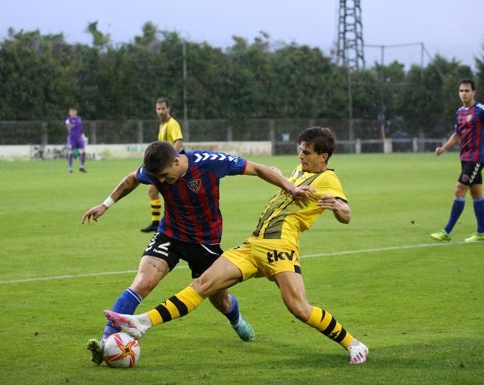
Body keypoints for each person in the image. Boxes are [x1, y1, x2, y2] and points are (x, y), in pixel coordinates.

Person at [104, 127, 369, 365]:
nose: (301, 157)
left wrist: (339, 208)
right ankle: (142, 322)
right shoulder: (300, 172)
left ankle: (353, 343)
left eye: (307, 153)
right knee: (203, 285)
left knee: (299, 308)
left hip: (280, 249)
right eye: (301, 151)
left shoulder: (328, 179)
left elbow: (345, 213)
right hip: (253, 244)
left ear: (323, 157)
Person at [81, 140, 305, 365]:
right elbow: (131, 179)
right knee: (142, 283)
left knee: (221, 301)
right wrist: (105, 205)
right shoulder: (155, 172)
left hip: (205, 243)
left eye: (164, 175)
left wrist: (291, 187)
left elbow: (257, 168)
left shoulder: (209, 163)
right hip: (170, 235)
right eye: (156, 177)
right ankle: (106, 341)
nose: (160, 181)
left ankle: (236, 320)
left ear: (176, 161)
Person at [430, 78, 484, 242]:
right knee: (476, 192)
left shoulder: (481, 110)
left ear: (473, 92)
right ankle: (482, 232)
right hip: (465, 158)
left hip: (477, 158)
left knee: (459, 190)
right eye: (461, 91)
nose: (464, 94)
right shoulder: (460, 112)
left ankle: (447, 231)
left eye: (467, 91)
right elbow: (457, 135)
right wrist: (444, 148)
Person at [141, 97, 184, 233]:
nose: (161, 111)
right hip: (164, 165)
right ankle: (156, 222)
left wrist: (171, 158)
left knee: (164, 193)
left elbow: (178, 141)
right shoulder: (162, 125)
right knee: (153, 191)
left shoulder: (172, 124)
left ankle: (167, 222)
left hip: (171, 166)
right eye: (158, 109)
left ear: (168, 109)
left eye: (163, 108)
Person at [65, 107, 86, 173]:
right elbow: (68, 126)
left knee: (83, 151)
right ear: (69, 113)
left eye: (74, 111)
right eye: (71, 111)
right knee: (70, 152)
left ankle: (81, 166)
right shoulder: (68, 119)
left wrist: (83, 134)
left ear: (76, 112)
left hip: (79, 137)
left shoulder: (79, 118)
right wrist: (72, 125)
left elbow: (80, 127)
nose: (73, 113)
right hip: (72, 138)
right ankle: (70, 168)